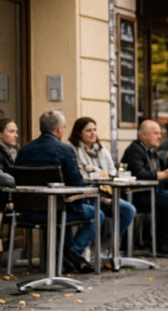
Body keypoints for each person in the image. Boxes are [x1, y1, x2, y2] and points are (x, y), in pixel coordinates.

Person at [15, 110, 106, 273]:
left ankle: (66, 256)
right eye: (63, 128)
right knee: (97, 214)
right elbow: (77, 184)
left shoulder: (24, 149)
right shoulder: (64, 149)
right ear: (58, 129)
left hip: (28, 213)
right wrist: (78, 204)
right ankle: (72, 254)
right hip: (57, 211)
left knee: (66, 211)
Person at [68, 117, 138, 255]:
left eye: (94, 130)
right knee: (98, 212)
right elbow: (80, 175)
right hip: (85, 195)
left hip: (105, 194)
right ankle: (74, 253)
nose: (93, 133)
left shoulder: (101, 149)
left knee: (129, 210)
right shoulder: (72, 149)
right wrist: (101, 173)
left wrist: (95, 170)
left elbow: (112, 173)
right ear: (79, 133)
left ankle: (108, 249)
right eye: (88, 130)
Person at [120, 120, 168, 254]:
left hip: (151, 193)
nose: (160, 136)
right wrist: (164, 174)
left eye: (160, 133)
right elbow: (140, 174)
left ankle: (163, 241)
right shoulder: (135, 150)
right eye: (156, 133)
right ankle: (161, 243)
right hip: (138, 195)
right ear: (144, 135)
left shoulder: (150, 151)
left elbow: (157, 171)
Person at [0, 117, 18, 188]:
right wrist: (21, 181)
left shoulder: (12, 152)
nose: (16, 135)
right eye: (11, 131)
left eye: (16, 131)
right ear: (0, 134)